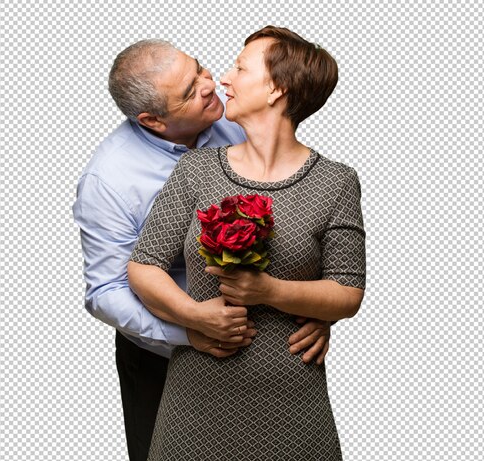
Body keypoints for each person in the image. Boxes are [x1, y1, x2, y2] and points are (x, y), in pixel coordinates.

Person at [73, 38, 335, 461]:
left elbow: (302, 229)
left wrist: (314, 312)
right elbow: (106, 291)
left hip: (265, 344)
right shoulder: (110, 179)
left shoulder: (235, 121)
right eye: (189, 92)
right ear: (152, 120)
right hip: (162, 351)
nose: (211, 85)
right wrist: (191, 328)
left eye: (199, 69)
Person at [127, 26, 365, 460]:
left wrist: (272, 292)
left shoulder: (336, 182)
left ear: (277, 88)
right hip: (193, 409)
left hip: (294, 411)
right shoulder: (196, 170)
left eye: (240, 67)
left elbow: (347, 293)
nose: (225, 78)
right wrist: (195, 316)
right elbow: (143, 266)